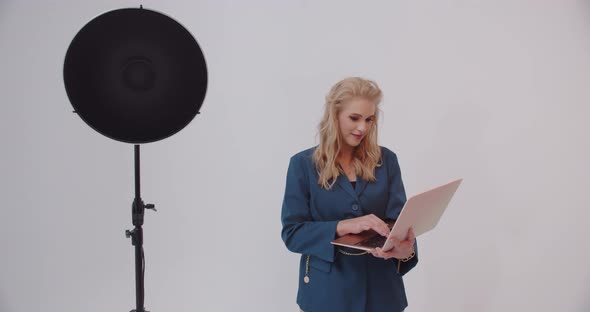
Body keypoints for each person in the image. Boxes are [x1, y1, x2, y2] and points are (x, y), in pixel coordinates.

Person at [281, 77, 418, 312]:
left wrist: (406, 250)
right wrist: (344, 226)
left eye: (369, 119)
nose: (362, 128)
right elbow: (293, 234)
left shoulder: (387, 161)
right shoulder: (302, 165)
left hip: (383, 292)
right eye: (354, 118)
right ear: (334, 116)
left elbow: (400, 223)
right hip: (326, 294)